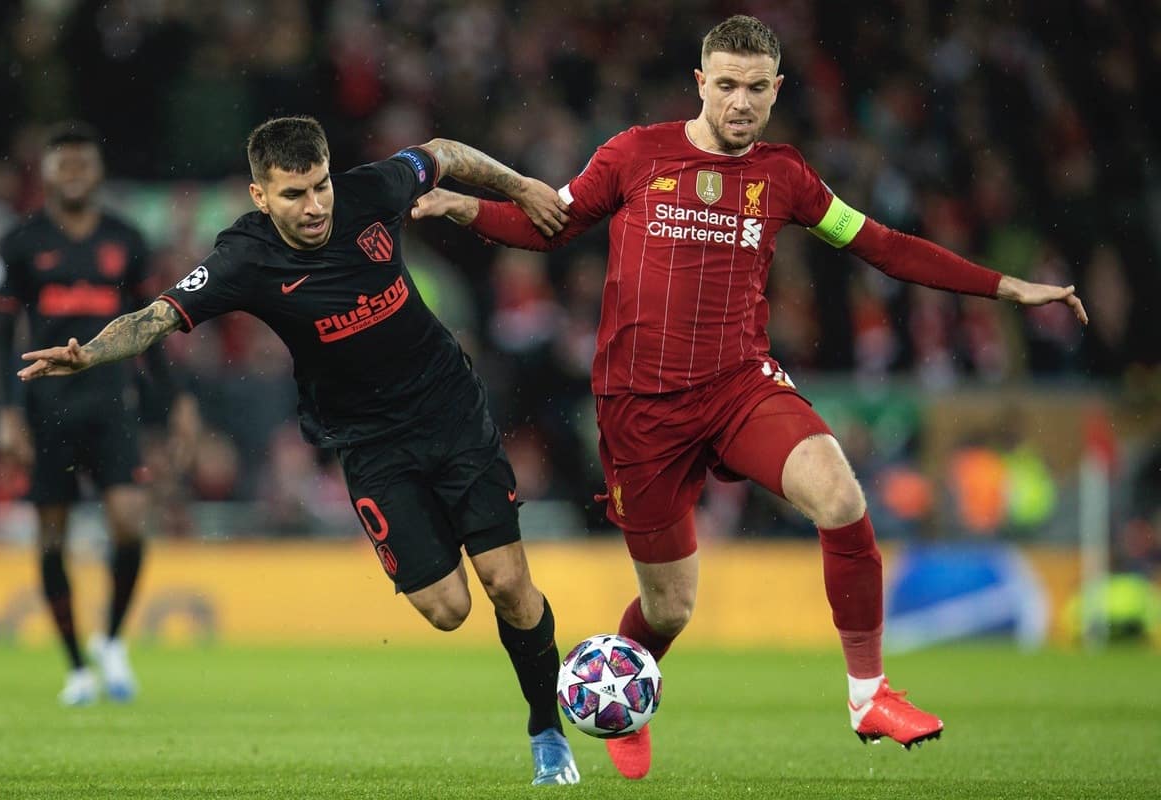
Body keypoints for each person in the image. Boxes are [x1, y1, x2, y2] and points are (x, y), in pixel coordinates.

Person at [410, 15, 1089, 780]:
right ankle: (628, 698)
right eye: (725, 85)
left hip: (738, 386)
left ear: (777, 91)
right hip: (640, 409)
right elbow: (550, 224)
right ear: (701, 83)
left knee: (838, 494)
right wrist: (465, 208)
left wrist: (1005, 287)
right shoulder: (635, 155)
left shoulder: (787, 176)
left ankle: (868, 693)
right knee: (670, 608)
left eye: (755, 88)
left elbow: (882, 246)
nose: (739, 102)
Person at [17, 116, 580, 786]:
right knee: (448, 610)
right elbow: (156, 317)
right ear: (260, 197)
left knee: (509, 585)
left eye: (319, 188)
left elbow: (445, 153)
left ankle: (548, 730)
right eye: (293, 196)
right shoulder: (243, 257)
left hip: (451, 412)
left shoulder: (371, 190)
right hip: (368, 442)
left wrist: (522, 187)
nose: (314, 207)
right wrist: (89, 354)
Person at [0, 121, 199, 706]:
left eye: (83, 163)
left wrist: (177, 400)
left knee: (130, 523)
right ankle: (76, 667)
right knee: (51, 540)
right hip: (45, 407)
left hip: (111, 403)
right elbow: (3, 338)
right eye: (64, 164)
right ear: (47, 172)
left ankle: (110, 640)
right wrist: (6, 412)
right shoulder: (20, 243)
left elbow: (152, 330)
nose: (74, 173)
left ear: (98, 171)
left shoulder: (126, 239)